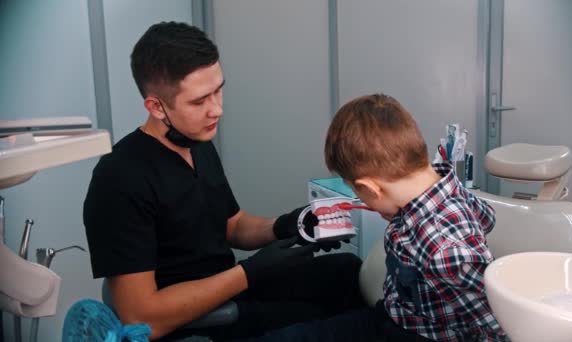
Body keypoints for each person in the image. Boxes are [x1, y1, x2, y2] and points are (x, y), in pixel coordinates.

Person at [83, 21, 363, 341]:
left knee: (346, 273)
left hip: (228, 288)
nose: (216, 109)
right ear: (156, 107)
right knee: (335, 325)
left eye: (218, 90)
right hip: (198, 322)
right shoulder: (120, 179)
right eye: (200, 101)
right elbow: (142, 318)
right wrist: (250, 272)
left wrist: (288, 224)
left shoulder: (197, 143)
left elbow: (232, 225)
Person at [321, 94, 507, 341]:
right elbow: (487, 217)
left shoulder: (444, 251)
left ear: (370, 188)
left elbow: (498, 326)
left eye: (357, 192)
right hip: (398, 312)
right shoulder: (444, 185)